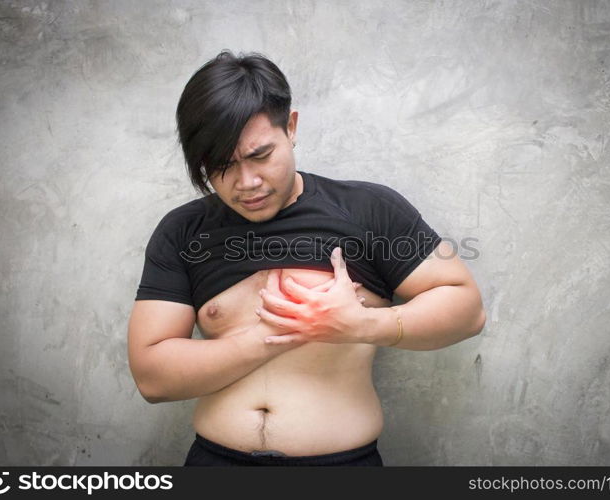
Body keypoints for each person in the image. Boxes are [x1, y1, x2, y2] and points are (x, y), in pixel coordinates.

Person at [127, 50, 486, 466]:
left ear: (291, 128)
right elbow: (152, 376)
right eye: (222, 166)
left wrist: (362, 324)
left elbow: (468, 310)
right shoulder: (183, 231)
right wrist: (274, 337)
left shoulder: (369, 208)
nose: (248, 182)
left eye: (261, 156)